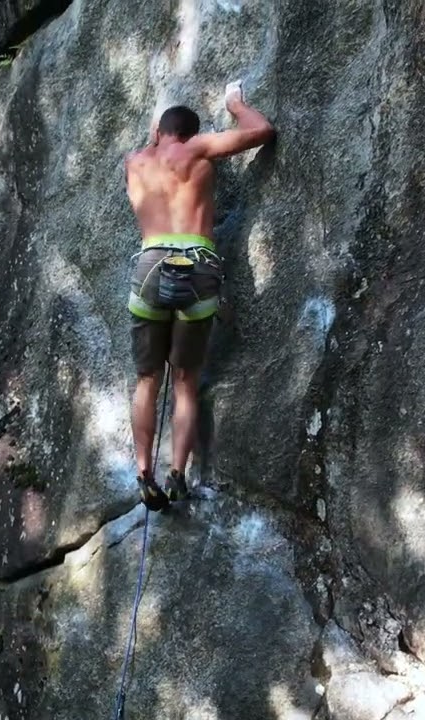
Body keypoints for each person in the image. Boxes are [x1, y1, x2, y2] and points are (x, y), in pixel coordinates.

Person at [123, 81, 275, 510]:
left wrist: (154, 136)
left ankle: (143, 473)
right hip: (199, 268)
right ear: (189, 134)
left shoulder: (134, 162)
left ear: (158, 133)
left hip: (150, 266)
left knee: (147, 379)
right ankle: (177, 474)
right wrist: (235, 104)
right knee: (187, 381)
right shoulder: (198, 150)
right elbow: (261, 130)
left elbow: (150, 149)